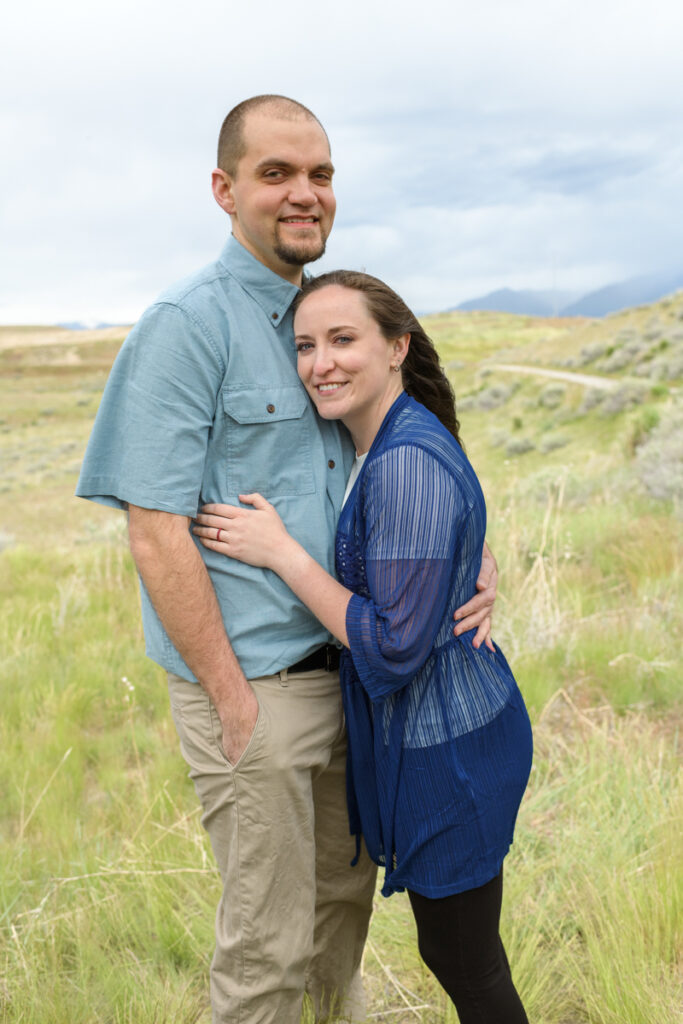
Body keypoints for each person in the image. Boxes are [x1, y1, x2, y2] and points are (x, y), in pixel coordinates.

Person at [76, 95, 498, 1024]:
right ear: (226, 190)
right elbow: (154, 530)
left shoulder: (329, 313)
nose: (304, 194)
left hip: (354, 677)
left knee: (338, 926)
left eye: (320, 174)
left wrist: (476, 550)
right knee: (264, 948)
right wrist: (230, 699)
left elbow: (409, 426)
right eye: (276, 174)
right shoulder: (186, 326)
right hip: (255, 691)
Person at [193, 270, 533, 1024]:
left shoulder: (403, 456)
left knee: (467, 965)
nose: (321, 363)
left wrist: (281, 553)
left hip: (449, 755)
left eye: (343, 339)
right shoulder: (387, 440)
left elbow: (392, 647)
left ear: (396, 348)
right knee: (459, 955)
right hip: (450, 736)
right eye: (306, 345)